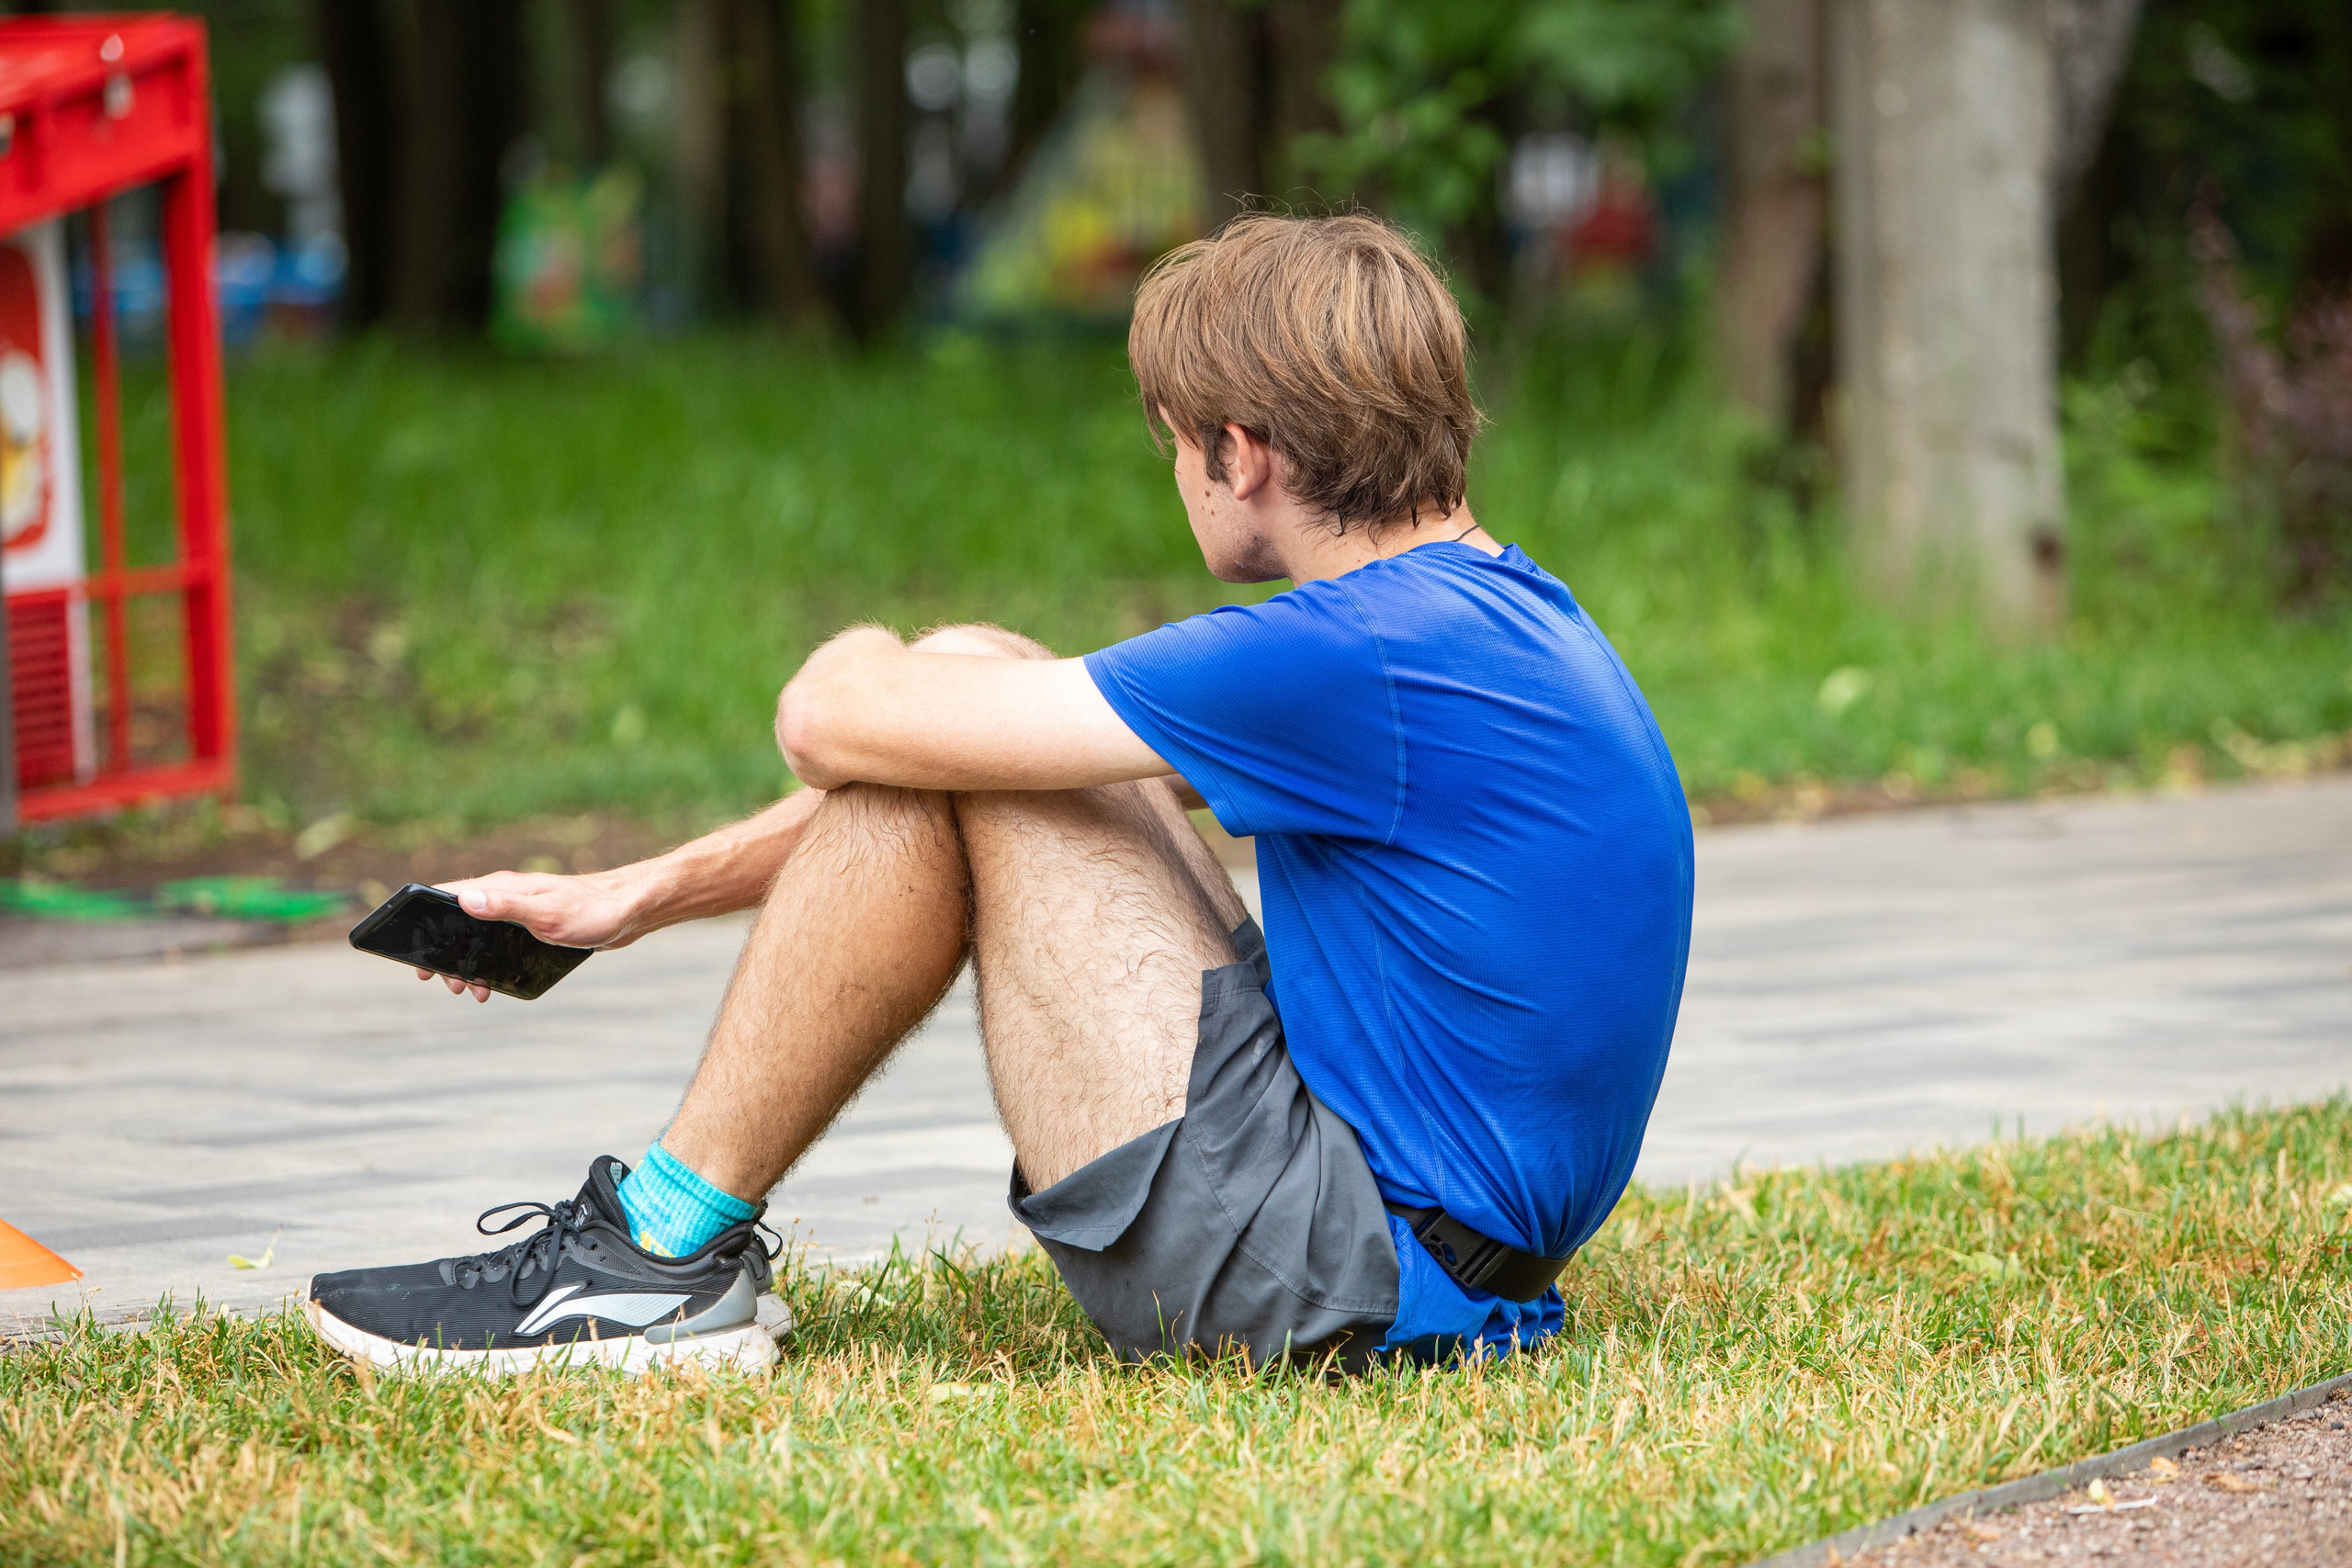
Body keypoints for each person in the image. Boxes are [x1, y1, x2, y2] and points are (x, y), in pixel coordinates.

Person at [303, 214, 1693, 1376]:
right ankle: (657, 1242)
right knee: (984, 717)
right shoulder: (1484, 618)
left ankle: (646, 1260)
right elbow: (984, 774)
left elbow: (827, 720)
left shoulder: (1352, 656)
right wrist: (643, 896)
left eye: (1173, 441)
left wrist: (874, 657)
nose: (1179, 475)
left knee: (959, 671)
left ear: (1240, 449)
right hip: (1427, 1251)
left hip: (1337, 1278)